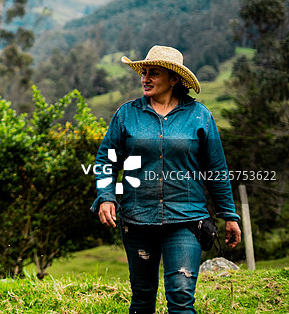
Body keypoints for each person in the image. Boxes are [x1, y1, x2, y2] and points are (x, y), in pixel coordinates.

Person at [91, 45, 241, 314]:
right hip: (138, 219)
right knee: (142, 298)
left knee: (181, 296)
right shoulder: (127, 114)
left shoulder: (199, 116)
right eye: (144, 72)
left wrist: (229, 216)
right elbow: (106, 161)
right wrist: (106, 196)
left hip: (186, 219)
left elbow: (216, 169)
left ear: (174, 79)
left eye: (154, 73)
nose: (145, 78)